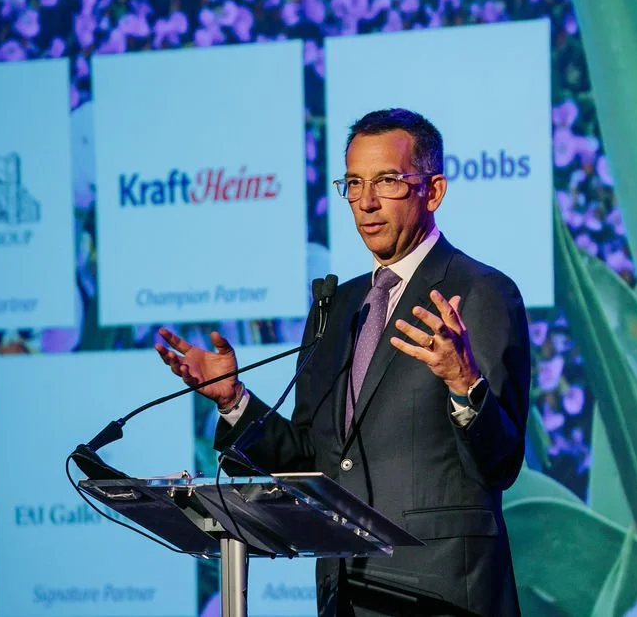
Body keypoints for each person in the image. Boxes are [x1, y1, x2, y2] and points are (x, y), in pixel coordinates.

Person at [155, 108, 530, 616]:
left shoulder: (480, 292)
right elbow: (313, 458)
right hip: (347, 592)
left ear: (434, 191)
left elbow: (500, 463)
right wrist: (235, 401)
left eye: (387, 181)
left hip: (442, 594)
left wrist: (465, 384)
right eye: (353, 183)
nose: (367, 202)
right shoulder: (340, 307)